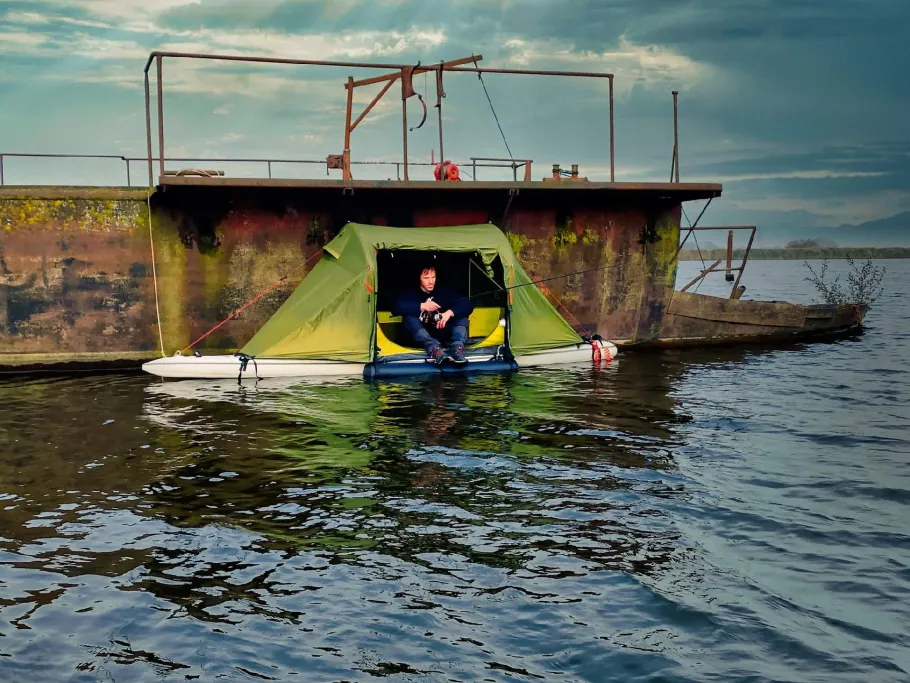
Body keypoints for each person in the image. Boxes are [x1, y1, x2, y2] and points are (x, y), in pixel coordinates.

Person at [392, 263, 473, 364]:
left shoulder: (443, 291)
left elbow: (467, 304)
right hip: (422, 338)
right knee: (408, 317)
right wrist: (422, 306)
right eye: (426, 278)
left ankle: (457, 348)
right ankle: (435, 350)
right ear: (419, 278)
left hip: (442, 333)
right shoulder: (411, 292)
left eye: (433, 277)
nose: (431, 282)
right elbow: (396, 307)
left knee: (461, 314)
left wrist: (449, 313)